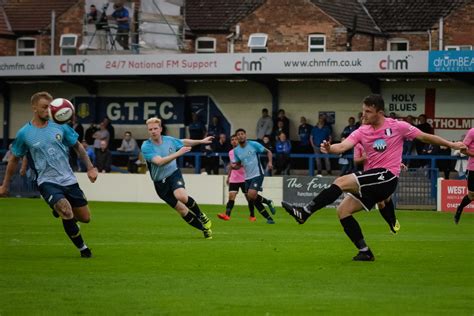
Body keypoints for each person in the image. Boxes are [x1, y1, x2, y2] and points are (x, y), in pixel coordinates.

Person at [281, 94, 465, 261]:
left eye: (368, 112)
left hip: (388, 176)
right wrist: (330, 148)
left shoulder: (397, 126)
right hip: (373, 177)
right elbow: (343, 146)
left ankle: (305, 212)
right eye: (363, 111)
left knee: (340, 182)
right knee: (342, 211)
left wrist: (451, 144)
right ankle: (365, 251)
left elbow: (425, 137)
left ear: (380, 112)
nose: (364, 115)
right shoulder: (362, 130)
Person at [0, 91, 98, 258]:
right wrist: (5, 185)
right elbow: (14, 159)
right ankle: (83, 249)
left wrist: (90, 167)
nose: (48, 111)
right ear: (34, 108)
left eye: (50, 107)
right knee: (67, 211)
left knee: (85, 218)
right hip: (47, 181)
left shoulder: (60, 126)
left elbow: (78, 147)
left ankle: (60, 211)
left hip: (68, 179)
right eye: (44, 107)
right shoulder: (25, 133)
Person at [141, 117, 213, 239]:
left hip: (173, 174)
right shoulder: (146, 146)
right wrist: (178, 153)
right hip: (160, 183)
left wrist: (201, 141)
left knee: (181, 196)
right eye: (150, 129)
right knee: (182, 210)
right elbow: (159, 162)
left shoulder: (169, 140)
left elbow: (184, 141)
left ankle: (201, 215)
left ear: (160, 129)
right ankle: (204, 229)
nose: (153, 131)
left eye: (155, 128)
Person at [217, 134, 276, 221]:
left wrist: (239, 165)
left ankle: (253, 215)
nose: (234, 141)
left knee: (251, 198)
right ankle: (227, 215)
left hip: (245, 177)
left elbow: (242, 163)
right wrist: (229, 175)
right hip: (234, 178)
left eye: (235, 139)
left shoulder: (246, 148)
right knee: (231, 197)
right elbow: (234, 165)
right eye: (232, 140)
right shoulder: (231, 152)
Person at [454, 128, 474, 224]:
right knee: (471, 195)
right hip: (472, 168)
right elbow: (462, 150)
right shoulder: (472, 132)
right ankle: (460, 208)